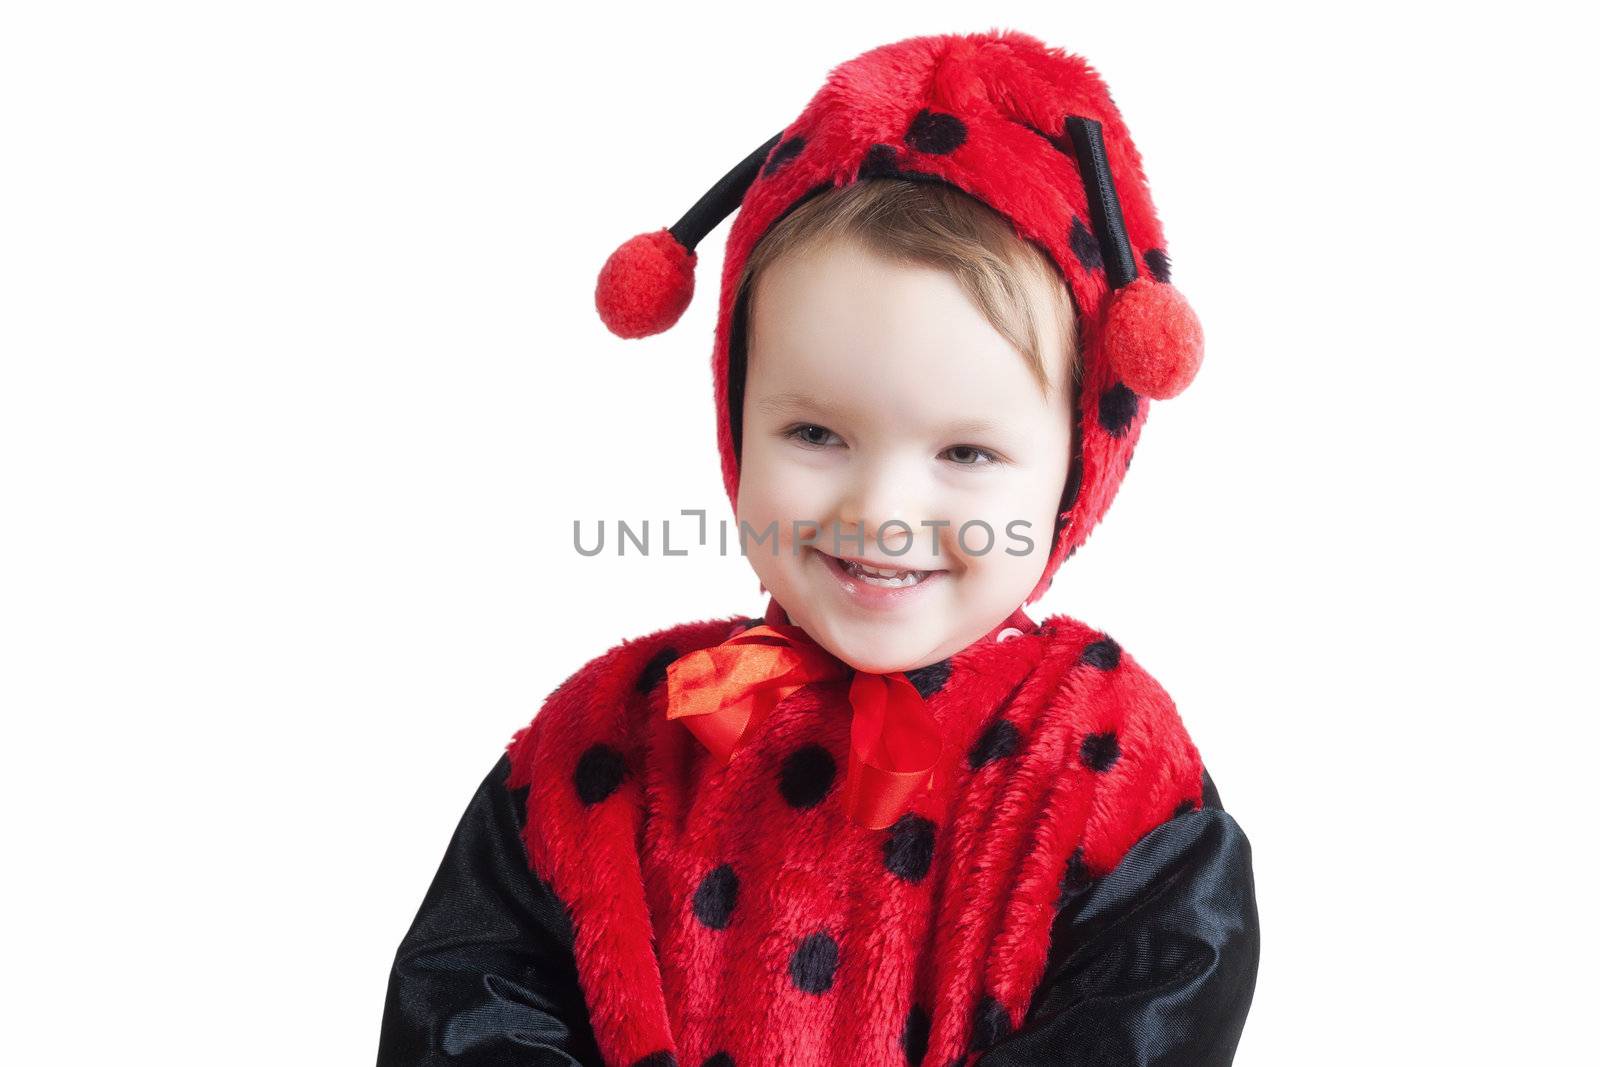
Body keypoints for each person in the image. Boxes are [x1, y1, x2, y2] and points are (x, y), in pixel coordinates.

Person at [377, 29, 1259, 1067]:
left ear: (1077, 465)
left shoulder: (1109, 772)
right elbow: (467, 1001)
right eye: (813, 433)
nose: (882, 508)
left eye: (967, 450)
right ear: (734, 416)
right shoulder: (609, 739)